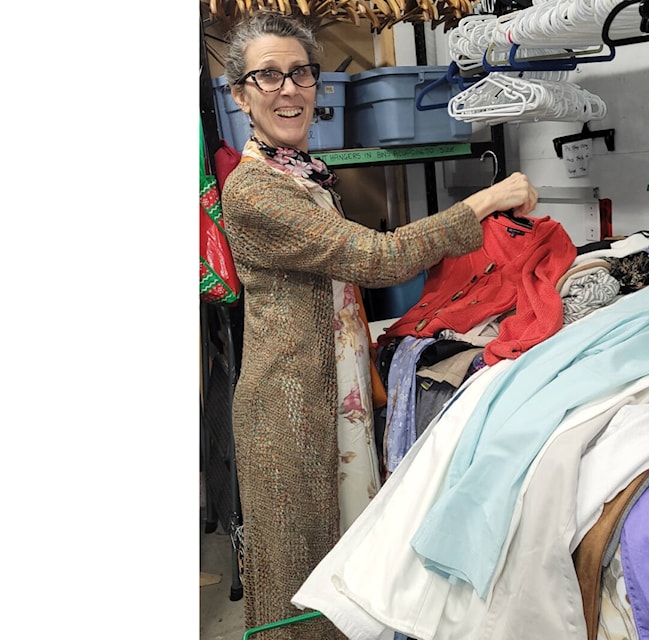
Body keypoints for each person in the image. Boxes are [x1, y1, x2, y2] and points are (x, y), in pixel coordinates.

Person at [218, 10, 539, 639]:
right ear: (240, 94)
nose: (289, 90)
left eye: (301, 74)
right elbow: (373, 258)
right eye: (268, 77)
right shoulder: (255, 190)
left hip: (333, 394)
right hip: (288, 412)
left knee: (344, 558)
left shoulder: (300, 171)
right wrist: (482, 202)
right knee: (298, 584)